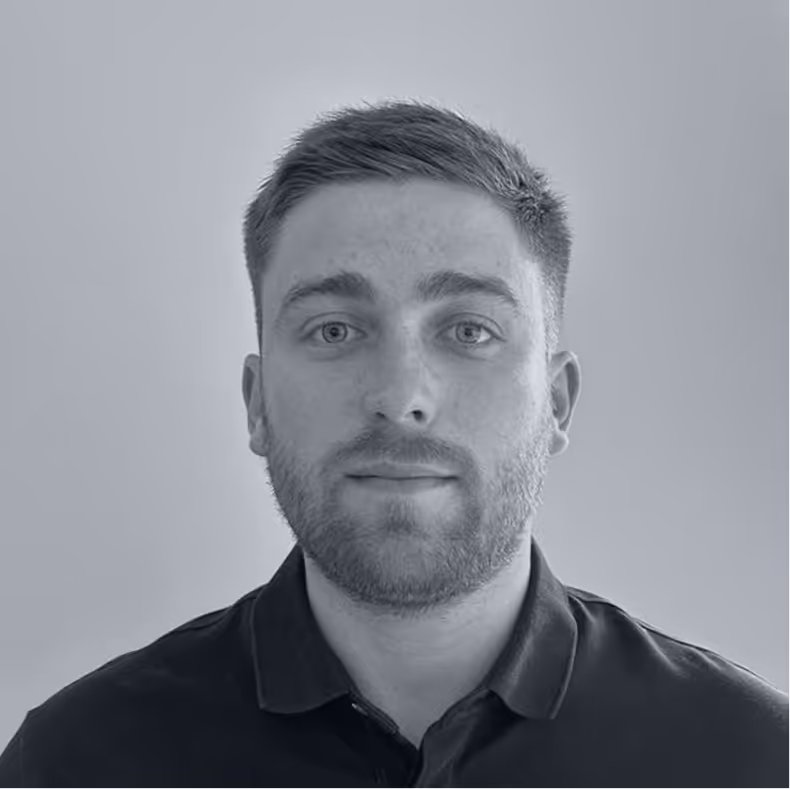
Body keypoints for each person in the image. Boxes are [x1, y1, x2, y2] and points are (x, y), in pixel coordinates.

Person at [0, 99, 786, 788]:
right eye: (334, 330)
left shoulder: (753, 761)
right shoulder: (73, 765)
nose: (401, 396)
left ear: (555, 401)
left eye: (469, 330)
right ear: (257, 404)